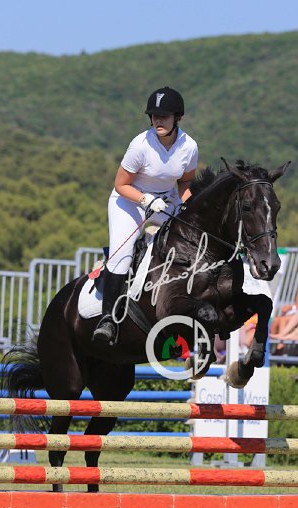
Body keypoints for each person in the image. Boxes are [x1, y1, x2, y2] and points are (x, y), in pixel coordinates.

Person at [92, 86, 198, 344]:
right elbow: (121, 184)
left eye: (164, 116)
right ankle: (107, 319)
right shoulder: (140, 145)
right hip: (130, 201)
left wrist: (186, 205)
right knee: (123, 255)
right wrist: (145, 200)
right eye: (154, 116)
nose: (158, 120)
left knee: (189, 246)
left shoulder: (189, 146)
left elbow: (186, 181)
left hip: (166, 202)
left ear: (177, 118)